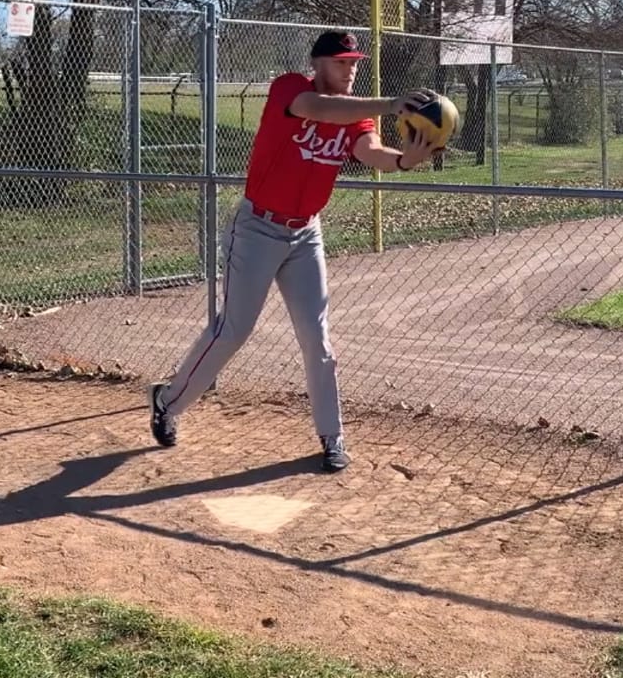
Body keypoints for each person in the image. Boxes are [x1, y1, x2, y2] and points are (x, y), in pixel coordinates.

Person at [148, 29, 441, 472]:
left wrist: (403, 161)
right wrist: (390, 103)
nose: (351, 69)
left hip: (306, 234)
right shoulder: (290, 88)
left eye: (355, 62)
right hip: (257, 229)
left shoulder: (356, 118)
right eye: (342, 62)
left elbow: (372, 150)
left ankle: (331, 435)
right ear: (319, 63)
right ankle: (168, 402)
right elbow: (319, 109)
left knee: (317, 337)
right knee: (233, 330)